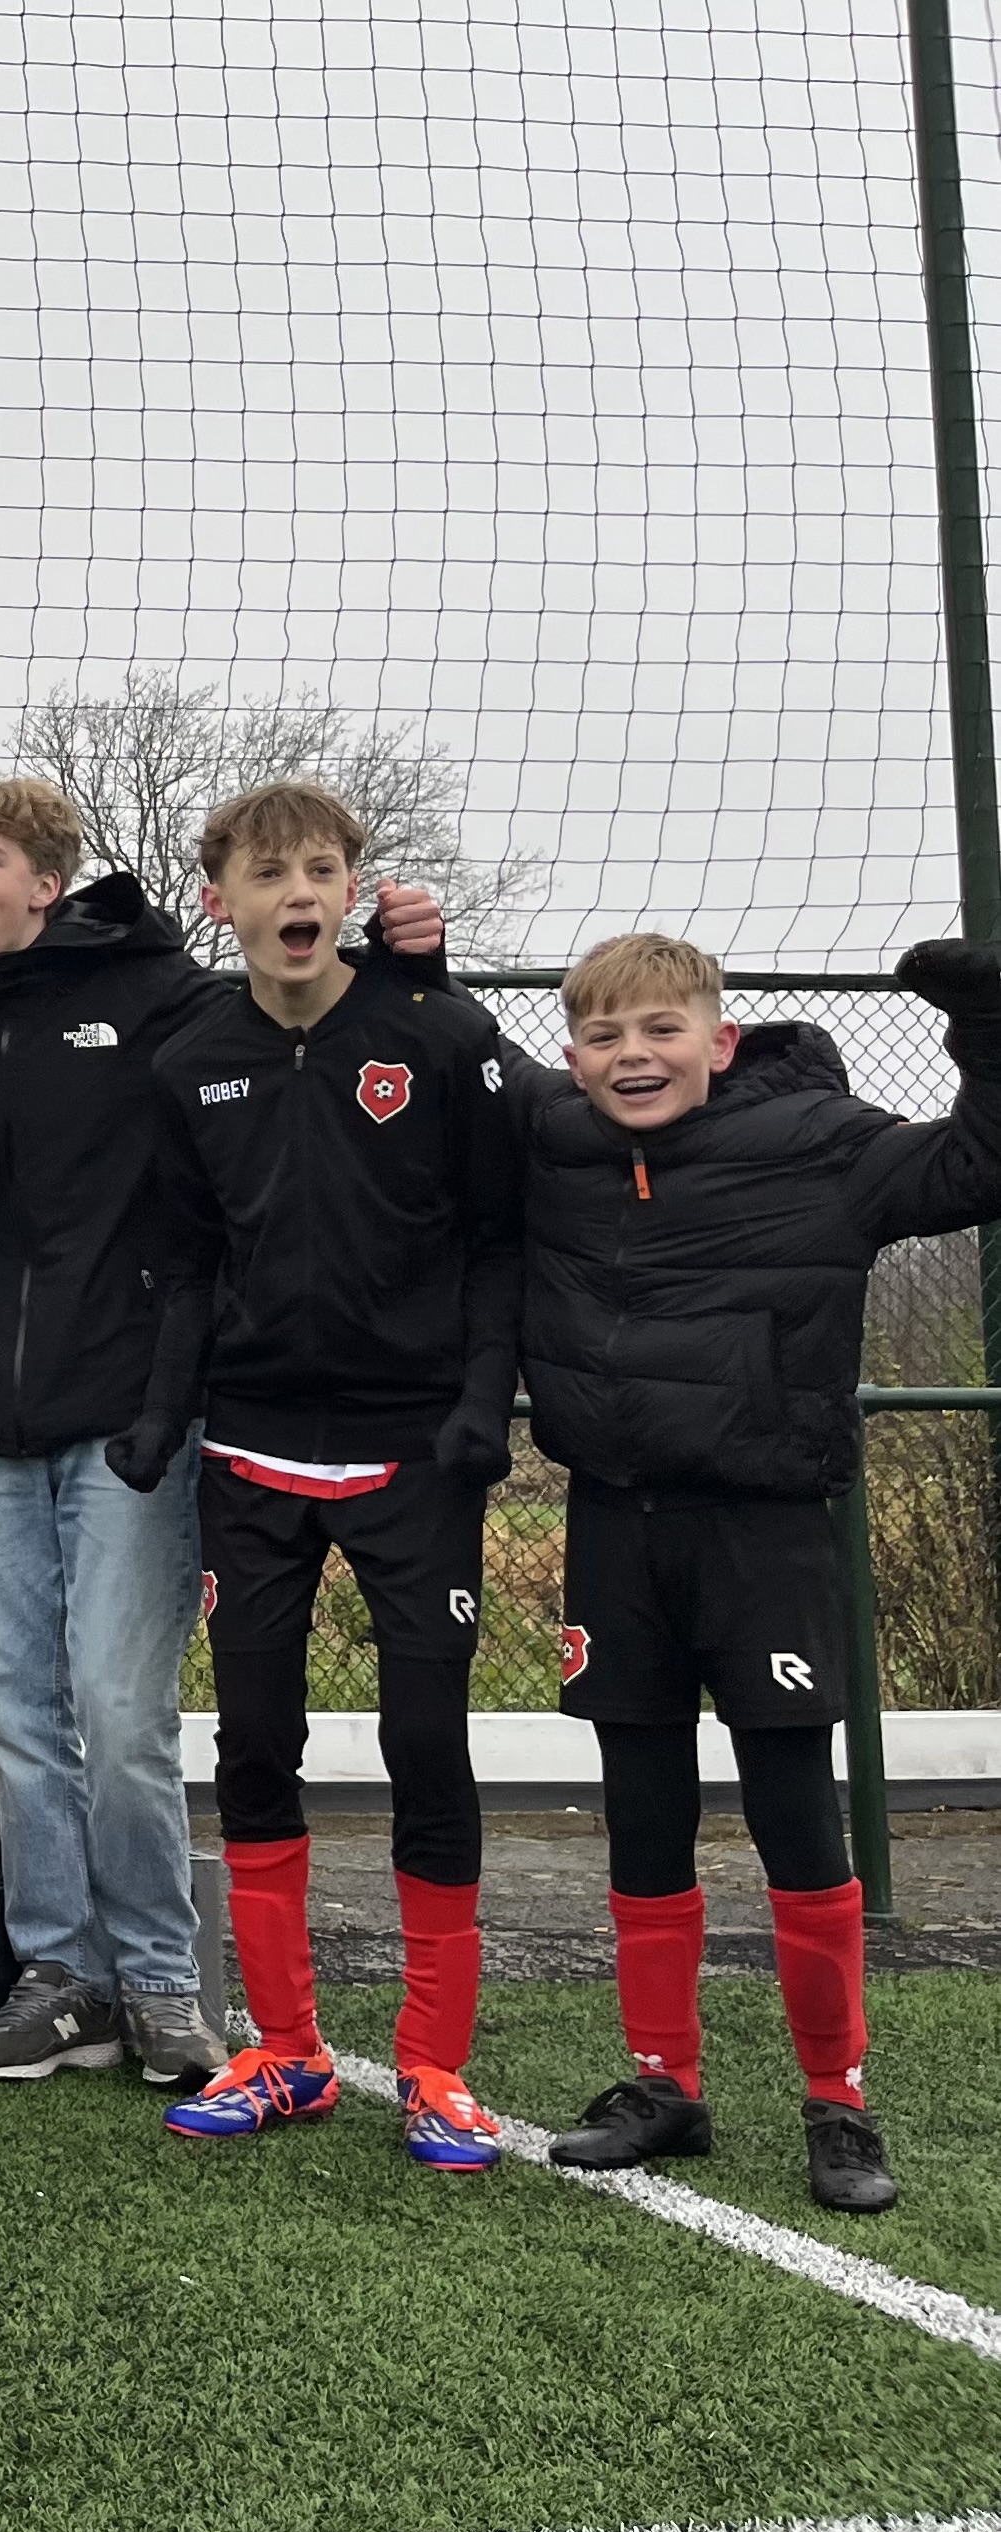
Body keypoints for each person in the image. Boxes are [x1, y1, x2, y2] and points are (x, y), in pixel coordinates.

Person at [0, 778, 445, 2089]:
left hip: (132, 1413)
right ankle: (64, 1974)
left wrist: (412, 968)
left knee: (120, 1710)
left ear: (45, 881)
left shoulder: (163, 993)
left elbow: (307, 1029)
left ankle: (167, 1984)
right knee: (19, 1712)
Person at [520, 931, 1001, 2213]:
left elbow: (976, 1164)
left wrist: (987, 1030)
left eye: (660, 1030)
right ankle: (661, 2084)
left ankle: (837, 2102)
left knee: (795, 1810)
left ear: (718, 1041)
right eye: (605, 1038)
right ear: (571, 1059)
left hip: (766, 1527)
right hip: (612, 1525)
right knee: (639, 1810)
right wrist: (416, 962)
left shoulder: (820, 1144)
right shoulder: (550, 1146)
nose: (634, 1057)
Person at [111, 781, 520, 2171]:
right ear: (219, 895)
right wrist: (165, 1413)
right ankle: (286, 2051)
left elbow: (499, 1240)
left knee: (425, 1747)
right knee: (257, 1744)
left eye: (323, 867)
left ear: (354, 889)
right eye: (267, 870)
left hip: (416, 1454)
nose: (298, 891)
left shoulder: (443, 1035)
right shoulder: (190, 1059)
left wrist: (480, 1408)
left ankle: (437, 2067)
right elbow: (185, 1258)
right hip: (253, 1455)